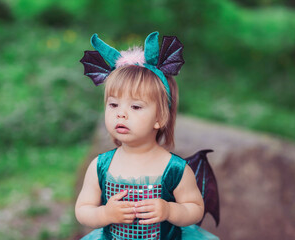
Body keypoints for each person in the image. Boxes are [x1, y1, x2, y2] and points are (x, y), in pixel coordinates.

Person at [75, 32, 219, 240]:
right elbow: (83, 210)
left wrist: (170, 210)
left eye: (135, 106)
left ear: (160, 118)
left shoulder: (175, 169)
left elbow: (195, 208)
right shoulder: (100, 166)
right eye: (113, 104)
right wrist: (104, 213)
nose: (120, 113)